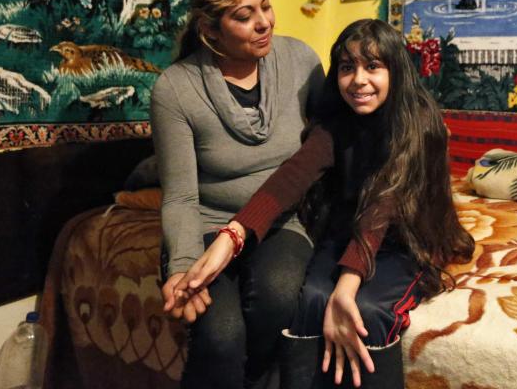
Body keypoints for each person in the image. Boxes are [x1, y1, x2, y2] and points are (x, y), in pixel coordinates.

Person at [169, 19, 475, 389]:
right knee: (311, 299)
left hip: (405, 238)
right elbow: (289, 179)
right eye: (348, 68)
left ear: (396, 71)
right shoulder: (334, 124)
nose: (359, 80)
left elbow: (383, 204)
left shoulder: (420, 123)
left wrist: (347, 286)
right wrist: (232, 236)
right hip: (348, 233)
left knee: (367, 312)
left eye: (373, 66)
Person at [153, 0, 325, 388]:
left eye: (266, 6)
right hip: (210, 222)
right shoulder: (175, 89)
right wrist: (182, 266)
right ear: (210, 30)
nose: (264, 22)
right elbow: (179, 196)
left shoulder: (301, 61)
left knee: (280, 296)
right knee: (220, 335)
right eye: (244, 16)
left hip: (281, 219)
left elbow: (324, 150)